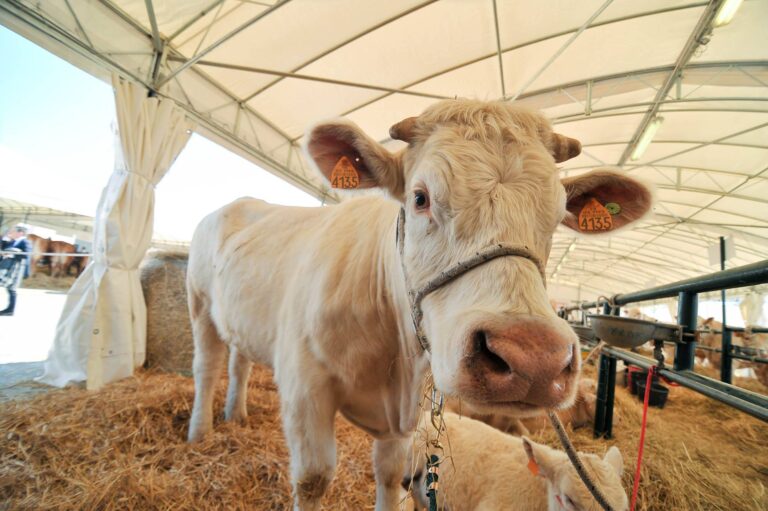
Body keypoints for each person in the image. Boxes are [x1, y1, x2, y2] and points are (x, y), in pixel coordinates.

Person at [0, 224, 31, 316]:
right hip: (6, 267)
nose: (11, 233)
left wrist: (13, 253)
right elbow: (3, 249)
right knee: (10, 289)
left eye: (14, 231)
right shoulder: (12, 241)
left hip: (16, 269)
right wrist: (5, 240)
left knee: (12, 289)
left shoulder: (25, 242)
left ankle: (10, 309)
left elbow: (26, 254)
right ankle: (10, 309)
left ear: (20, 233)